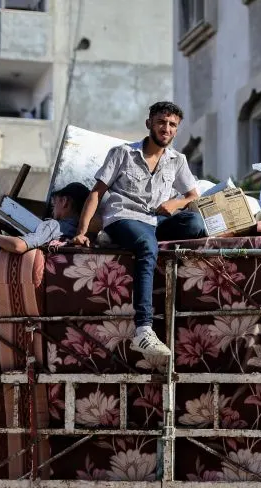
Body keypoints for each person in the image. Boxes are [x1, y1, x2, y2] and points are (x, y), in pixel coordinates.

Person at [71, 100, 207, 361]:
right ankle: (143, 330)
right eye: (161, 122)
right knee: (146, 245)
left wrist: (174, 203)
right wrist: (82, 231)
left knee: (195, 224)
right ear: (149, 124)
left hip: (156, 220)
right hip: (124, 217)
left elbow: (192, 195)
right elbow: (96, 193)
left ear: (176, 130)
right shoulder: (122, 153)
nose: (166, 128)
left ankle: (137, 241)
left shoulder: (177, 160)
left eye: (172, 124)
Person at [0, 182, 89, 256]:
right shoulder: (85, 235)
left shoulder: (55, 226)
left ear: (64, 201)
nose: (53, 207)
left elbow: (18, 246)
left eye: (55, 202)